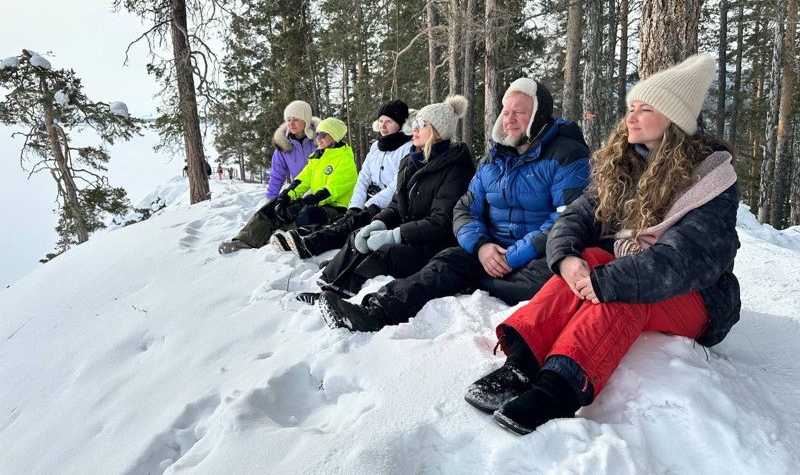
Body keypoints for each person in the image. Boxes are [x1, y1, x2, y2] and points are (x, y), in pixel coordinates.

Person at [463, 54, 741, 435]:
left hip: (698, 295)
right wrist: (566, 259)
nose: (631, 117)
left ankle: (558, 389)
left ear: (674, 119)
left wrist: (606, 281)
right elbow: (574, 217)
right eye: (631, 107)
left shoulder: (710, 178)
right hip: (646, 272)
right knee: (593, 256)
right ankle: (521, 364)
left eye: (645, 109)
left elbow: (686, 260)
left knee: (624, 289)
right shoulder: (626, 162)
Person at [318, 78, 590, 331]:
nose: (509, 120)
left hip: (535, 255)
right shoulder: (494, 160)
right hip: (489, 249)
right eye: (506, 112)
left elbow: (566, 218)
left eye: (519, 112)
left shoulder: (567, 154)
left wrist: (513, 255)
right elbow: (464, 209)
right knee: (443, 263)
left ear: (539, 114)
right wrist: (482, 246)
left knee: (551, 279)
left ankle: (480, 283)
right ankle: (377, 311)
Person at [297, 95, 475, 305]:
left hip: (433, 244)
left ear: (438, 132)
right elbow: (397, 204)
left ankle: (342, 297)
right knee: (358, 236)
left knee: (384, 252)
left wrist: (395, 235)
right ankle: (328, 286)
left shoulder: (456, 167)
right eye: (415, 123)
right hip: (409, 232)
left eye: (422, 124)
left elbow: (441, 221)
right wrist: (378, 223)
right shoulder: (410, 160)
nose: (415, 128)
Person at [271, 100, 413, 258]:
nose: (383, 126)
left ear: (400, 124)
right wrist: (356, 206)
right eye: (380, 121)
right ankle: (301, 235)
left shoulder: (408, 149)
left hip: (389, 204)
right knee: (343, 219)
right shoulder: (376, 147)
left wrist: (367, 206)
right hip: (368, 199)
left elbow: (395, 186)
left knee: (351, 224)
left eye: (389, 122)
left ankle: (310, 244)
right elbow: (363, 178)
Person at [218, 117, 355, 254]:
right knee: (275, 204)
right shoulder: (318, 156)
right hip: (316, 201)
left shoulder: (345, 160)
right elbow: (302, 180)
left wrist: (302, 203)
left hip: (336, 209)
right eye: (316, 134)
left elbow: (330, 192)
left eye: (322, 135)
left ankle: (280, 236)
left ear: (335, 136)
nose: (317, 138)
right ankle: (245, 240)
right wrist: (286, 196)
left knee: (306, 214)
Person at [266, 100, 320, 201]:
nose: (291, 124)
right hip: (299, 194)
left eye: (295, 119)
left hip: (324, 193)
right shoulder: (283, 145)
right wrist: (269, 201)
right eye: (288, 120)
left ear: (306, 120)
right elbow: (277, 176)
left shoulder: (321, 140)